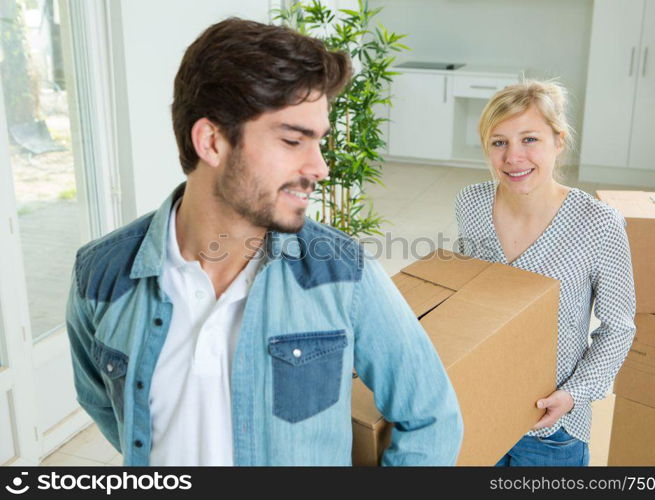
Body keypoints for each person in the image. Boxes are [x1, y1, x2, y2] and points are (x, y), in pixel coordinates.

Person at [65, 17, 462, 466]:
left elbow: (431, 417)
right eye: (293, 140)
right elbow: (103, 402)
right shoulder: (101, 276)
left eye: (319, 143)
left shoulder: (341, 272)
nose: (320, 168)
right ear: (211, 142)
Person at [454, 79, 636, 466]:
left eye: (530, 139)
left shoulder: (599, 223)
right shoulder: (470, 203)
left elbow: (618, 327)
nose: (513, 157)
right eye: (499, 142)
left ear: (559, 141)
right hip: (477, 406)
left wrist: (574, 394)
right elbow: (464, 299)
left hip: (550, 428)